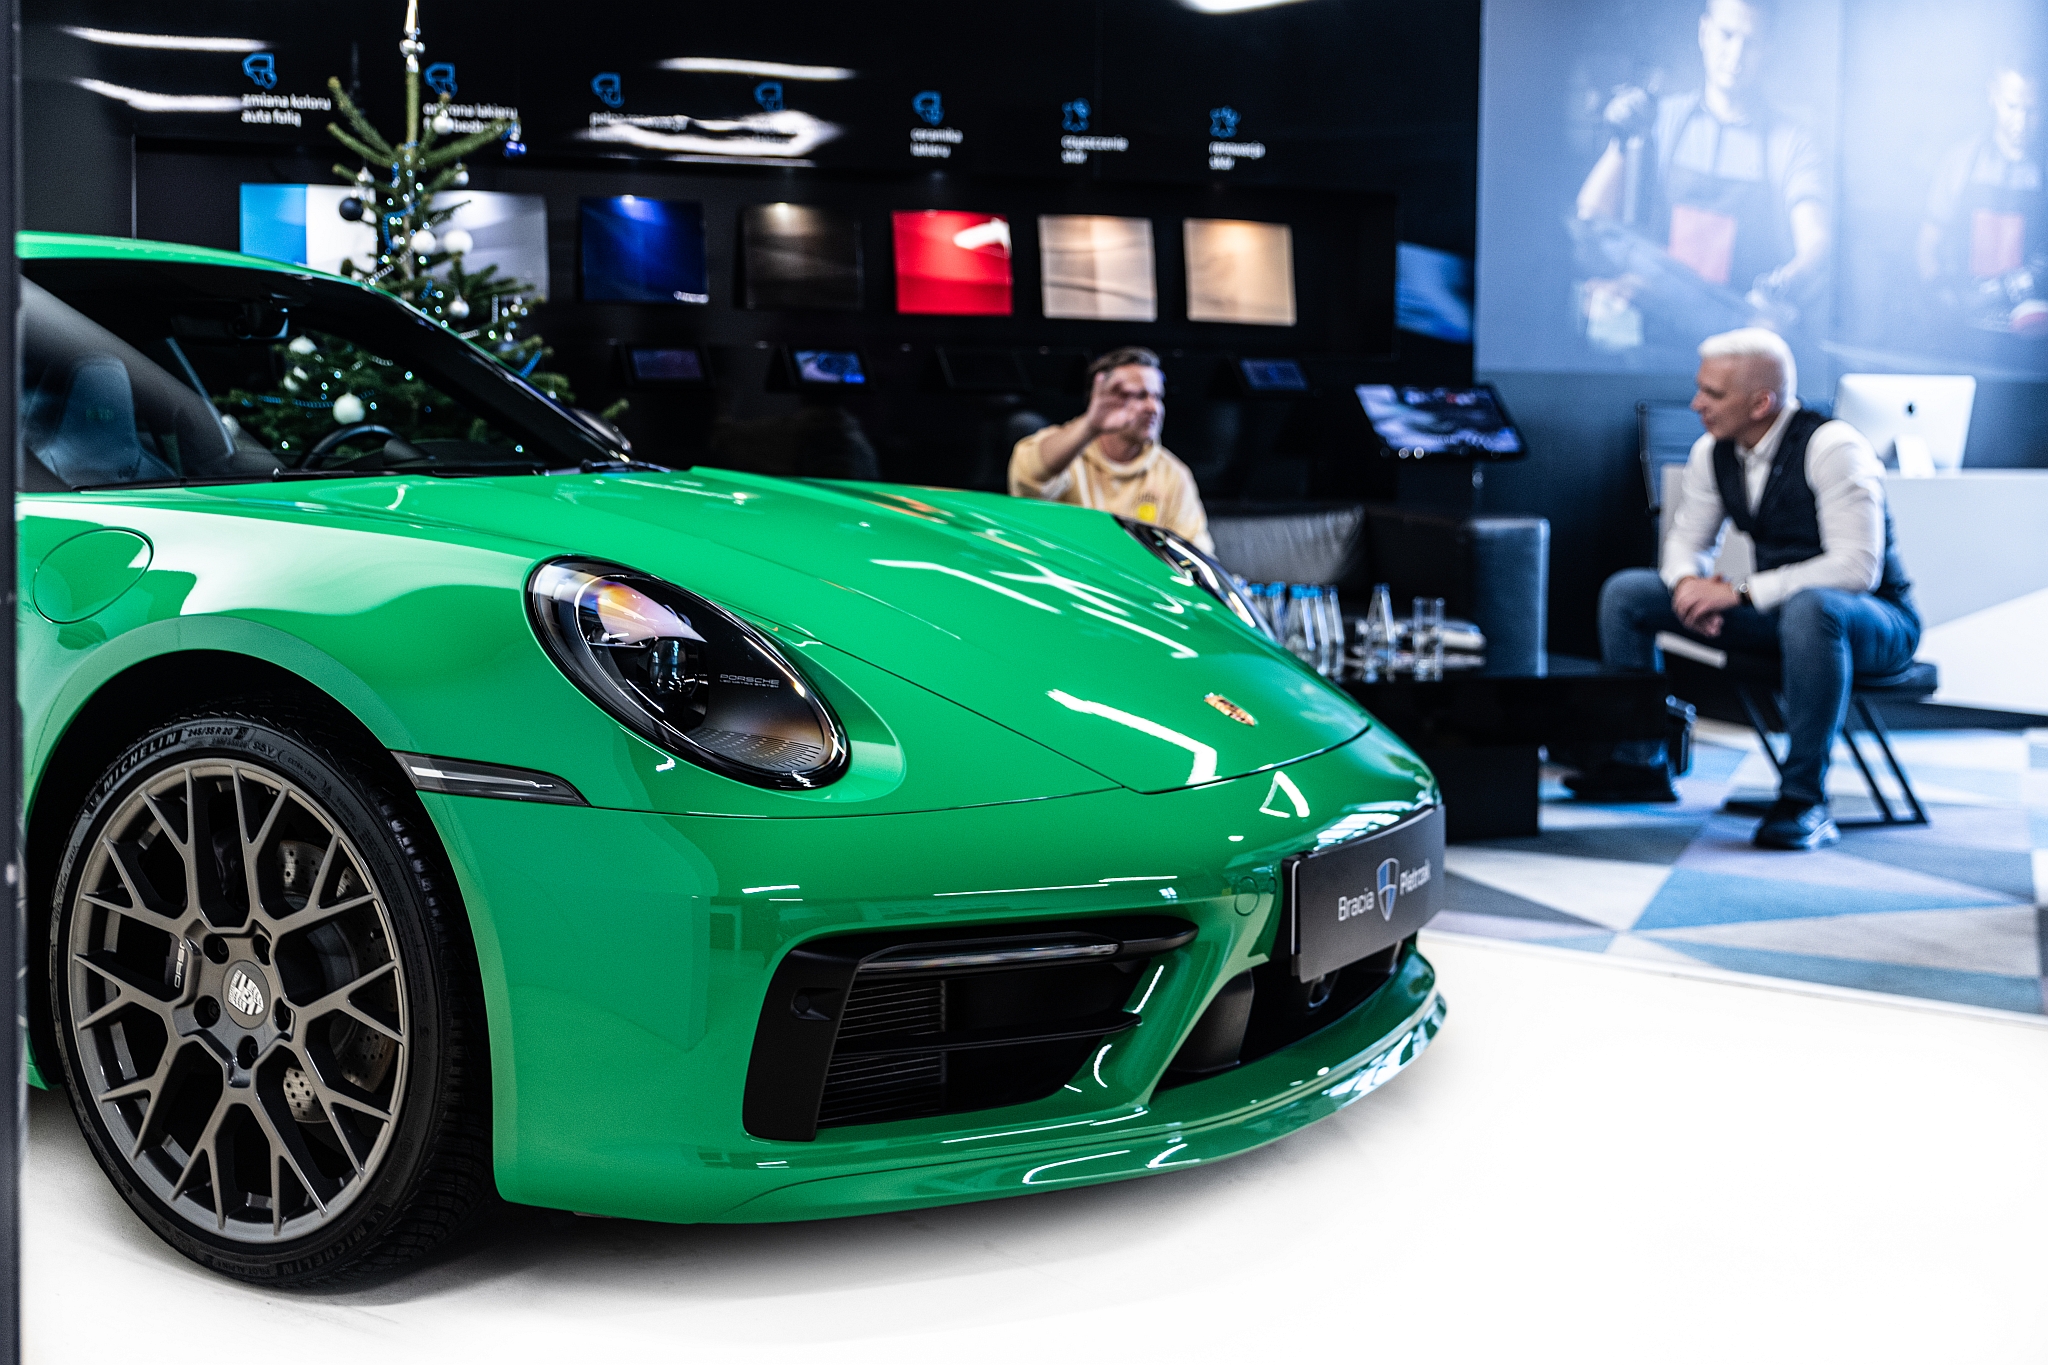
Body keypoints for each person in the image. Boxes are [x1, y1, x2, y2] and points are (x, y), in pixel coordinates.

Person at [1575, 327, 1919, 851]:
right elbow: (1684, 542)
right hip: (1784, 617)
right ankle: (1640, 763)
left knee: (1813, 608)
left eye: (1712, 394)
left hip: (1875, 623)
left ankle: (1803, 799)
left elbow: (1857, 568)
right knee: (1629, 594)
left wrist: (1738, 594)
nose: (1696, 404)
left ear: (1762, 403)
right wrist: (1688, 585)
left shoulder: (1834, 447)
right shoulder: (1713, 452)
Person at [1571, 0, 1829, 353]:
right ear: (1704, 32)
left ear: (1768, 49)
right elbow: (1591, 214)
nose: (1736, 55)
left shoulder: (1791, 143)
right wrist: (1621, 141)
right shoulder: (1660, 120)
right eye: (1727, 35)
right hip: (1657, 335)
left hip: (1740, 341)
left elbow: (1816, 244)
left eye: (1751, 42)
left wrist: (1783, 286)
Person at [1007, 346, 1213, 551]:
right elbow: (1029, 478)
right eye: (1139, 395)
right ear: (1099, 398)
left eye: (1157, 396)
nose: (1153, 408)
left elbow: (1194, 553)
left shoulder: (1172, 474)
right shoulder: (1067, 451)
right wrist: (1090, 425)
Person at [1917, 67, 2047, 337]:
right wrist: (1938, 294)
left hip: (2030, 335)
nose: (2021, 122)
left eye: (2031, 110)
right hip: (1961, 328)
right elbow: (1927, 243)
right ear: (1993, 96)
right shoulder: (1961, 161)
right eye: (2012, 107)